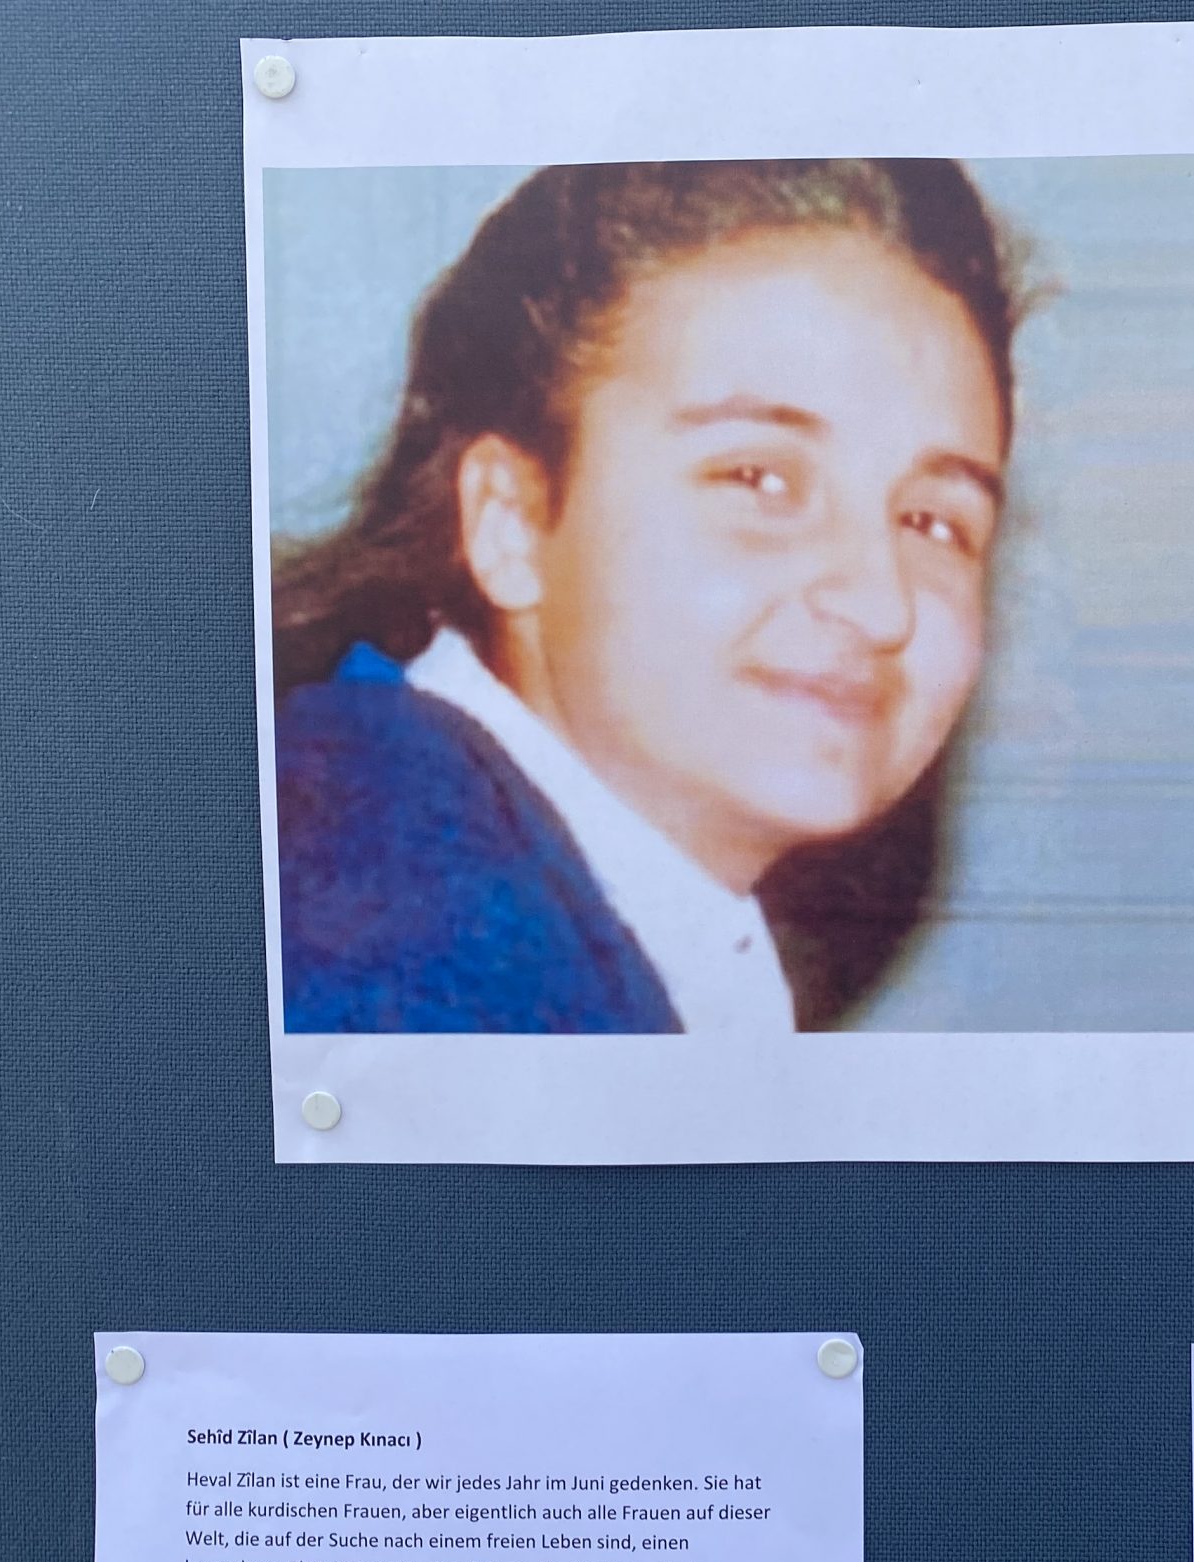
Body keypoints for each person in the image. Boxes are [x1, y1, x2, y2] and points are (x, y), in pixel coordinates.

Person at [271, 161, 1020, 1033]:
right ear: (510, 523)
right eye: (759, 478)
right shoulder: (390, 950)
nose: (881, 604)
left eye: (932, 522)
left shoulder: (531, 907)